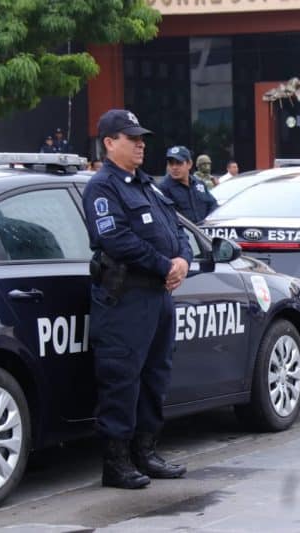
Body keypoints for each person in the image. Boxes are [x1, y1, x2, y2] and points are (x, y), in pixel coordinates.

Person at [82, 109, 192, 490]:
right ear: (109, 143)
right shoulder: (103, 188)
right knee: (122, 379)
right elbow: (116, 239)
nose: (141, 144)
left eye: (141, 137)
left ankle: (146, 452)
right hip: (125, 298)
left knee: (155, 376)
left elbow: (177, 230)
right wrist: (165, 265)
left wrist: (183, 260)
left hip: (158, 296)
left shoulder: (148, 185)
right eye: (132, 138)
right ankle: (116, 463)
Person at [159, 145, 218, 223]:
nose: (174, 167)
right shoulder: (163, 188)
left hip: (204, 229)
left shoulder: (198, 184)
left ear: (189, 164)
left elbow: (213, 205)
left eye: (179, 163)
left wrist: (208, 222)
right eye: (171, 163)